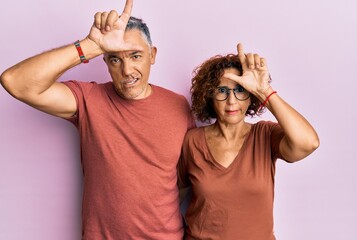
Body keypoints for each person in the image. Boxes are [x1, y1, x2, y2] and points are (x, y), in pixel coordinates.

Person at [0, 0, 195, 239]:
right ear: (104, 61)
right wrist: (90, 46)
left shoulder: (178, 105)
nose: (127, 70)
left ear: (152, 55)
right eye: (115, 59)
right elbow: (16, 82)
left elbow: (183, 180)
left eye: (135, 56)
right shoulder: (89, 99)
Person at [177, 43, 320, 240]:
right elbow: (174, 197)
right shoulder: (192, 141)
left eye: (240, 90)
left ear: (250, 96)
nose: (232, 101)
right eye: (222, 90)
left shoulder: (265, 135)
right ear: (209, 95)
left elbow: (308, 143)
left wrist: (264, 90)